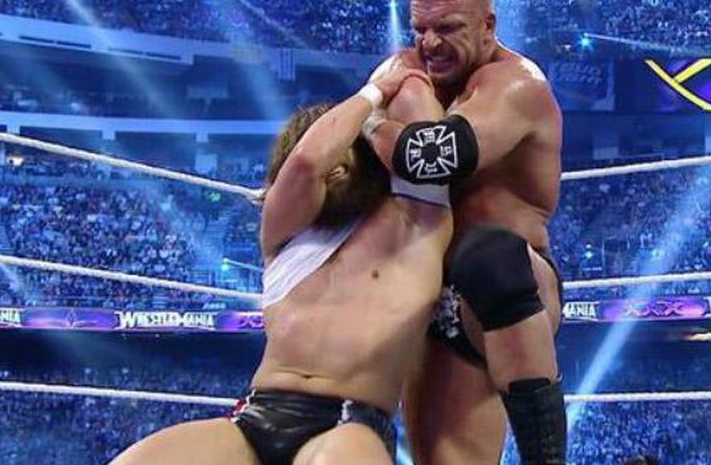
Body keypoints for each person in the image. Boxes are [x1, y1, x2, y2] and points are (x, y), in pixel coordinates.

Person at [110, 66, 453, 465]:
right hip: (256, 415)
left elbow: (429, 142)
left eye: (344, 157)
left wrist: (400, 80)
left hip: (350, 421)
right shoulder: (284, 231)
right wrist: (373, 94)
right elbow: (306, 163)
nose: (332, 167)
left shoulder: (413, 224)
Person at [362, 0, 565, 463]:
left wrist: (369, 121)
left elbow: (433, 158)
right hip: (433, 292)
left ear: (488, 25)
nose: (430, 43)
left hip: (511, 290)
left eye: (448, 28)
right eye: (420, 29)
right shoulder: (409, 73)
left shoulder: (517, 84)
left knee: (489, 255)